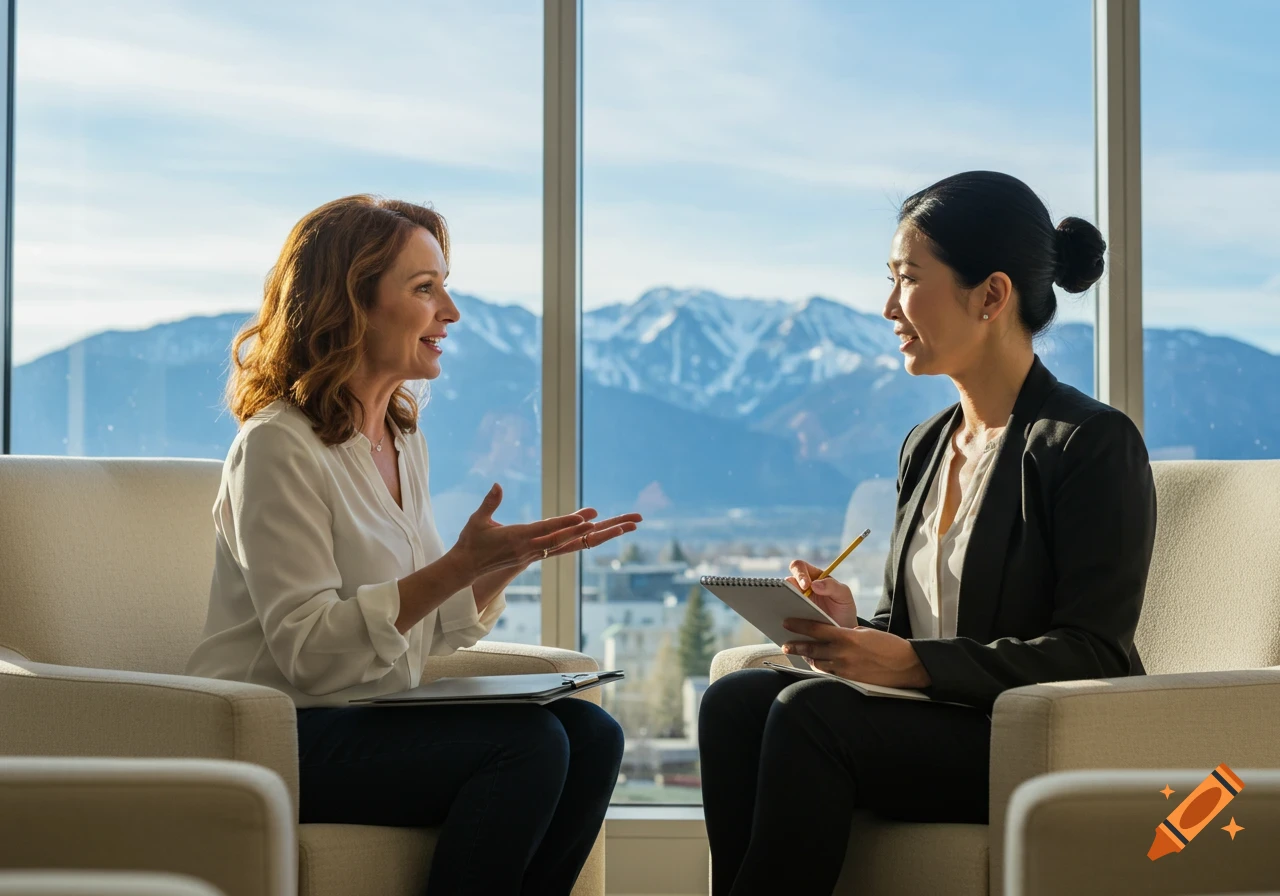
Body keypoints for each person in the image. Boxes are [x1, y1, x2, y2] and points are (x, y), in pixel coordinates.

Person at [697, 171, 1156, 896]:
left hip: (1027, 740)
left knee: (810, 714)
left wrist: (910, 663)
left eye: (908, 279)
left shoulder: (1088, 442)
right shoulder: (927, 444)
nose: (888, 307)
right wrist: (851, 629)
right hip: (931, 728)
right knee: (735, 701)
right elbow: (926, 625)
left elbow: (1093, 648)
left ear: (992, 296)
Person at [186, 195, 642, 895]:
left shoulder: (401, 437)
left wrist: (495, 567)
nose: (450, 313)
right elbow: (308, 655)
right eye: (425, 289)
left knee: (591, 735)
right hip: (276, 736)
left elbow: (424, 630)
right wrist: (457, 565)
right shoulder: (277, 446)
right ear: (351, 303)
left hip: (365, 719)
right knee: (525, 747)